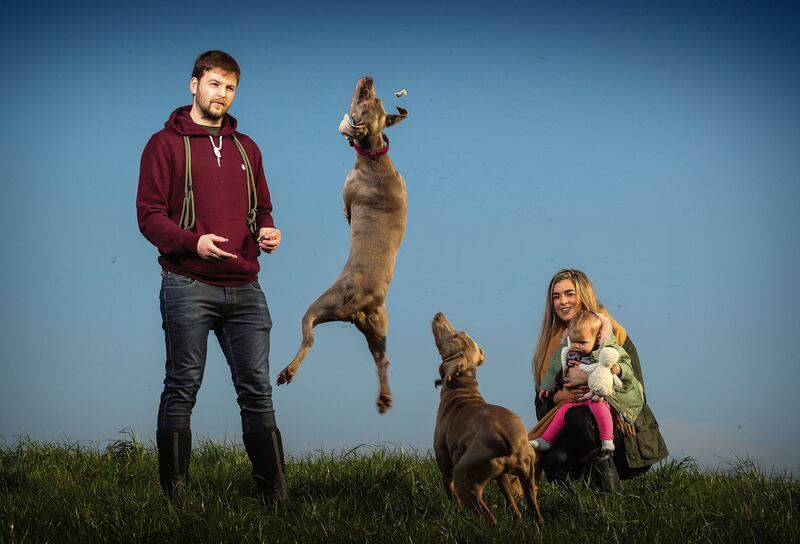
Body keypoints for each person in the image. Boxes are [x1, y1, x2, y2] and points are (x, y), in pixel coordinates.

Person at [136, 50, 287, 502]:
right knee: (183, 384)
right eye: (214, 84)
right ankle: (176, 495)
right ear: (194, 85)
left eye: (230, 87)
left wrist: (267, 232)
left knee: (257, 390)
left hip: (246, 287)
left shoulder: (249, 148)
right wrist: (192, 242)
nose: (222, 94)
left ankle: (275, 494)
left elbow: (263, 208)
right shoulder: (163, 144)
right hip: (187, 284)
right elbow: (149, 217)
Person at [529, 269, 668, 491]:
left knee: (577, 416)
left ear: (583, 295)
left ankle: (610, 499)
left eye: (569, 294)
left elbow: (635, 389)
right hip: (573, 428)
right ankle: (578, 510)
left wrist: (588, 378)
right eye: (556, 296)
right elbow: (541, 406)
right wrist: (558, 396)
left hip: (619, 428)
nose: (563, 301)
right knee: (554, 460)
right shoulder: (551, 347)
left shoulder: (613, 335)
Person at [531, 311, 643, 456]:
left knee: (600, 408)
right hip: (576, 399)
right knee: (563, 413)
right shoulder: (567, 351)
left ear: (597, 338)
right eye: (573, 341)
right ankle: (546, 440)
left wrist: (619, 369)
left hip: (595, 396)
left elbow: (627, 366)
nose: (576, 346)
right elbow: (554, 369)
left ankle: (607, 439)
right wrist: (546, 387)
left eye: (582, 342)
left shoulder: (607, 349)